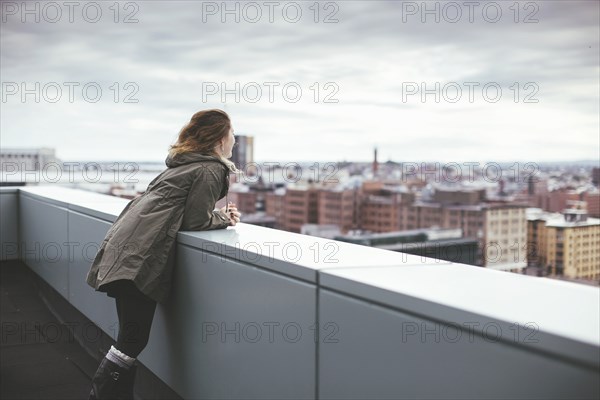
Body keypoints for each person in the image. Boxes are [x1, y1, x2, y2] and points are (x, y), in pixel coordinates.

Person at [86, 109, 241, 399]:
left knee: (129, 337)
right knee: (132, 340)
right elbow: (196, 219)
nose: (234, 139)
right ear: (220, 139)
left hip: (125, 247)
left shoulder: (182, 164)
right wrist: (224, 218)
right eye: (232, 133)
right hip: (141, 257)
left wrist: (215, 214)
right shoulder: (210, 168)